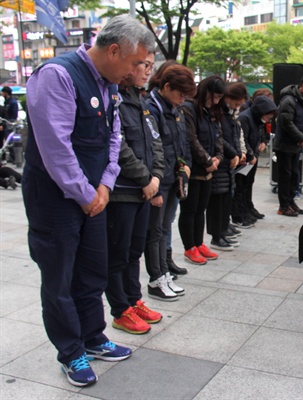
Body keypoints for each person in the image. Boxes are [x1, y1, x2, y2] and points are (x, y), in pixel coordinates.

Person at [22, 15, 155, 387]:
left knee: (93, 270)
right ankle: (70, 350)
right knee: (59, 276)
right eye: (134, 64)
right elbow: (55, 147)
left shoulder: (110, 84)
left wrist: (106, 186)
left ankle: (93, 336)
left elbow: (114, 139)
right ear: (113, 50)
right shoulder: (57, 75)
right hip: (55, 197)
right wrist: (85, 193)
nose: (135, 72)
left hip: (95, 195)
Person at [104, 51, 165, 335]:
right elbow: (119, 147)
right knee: (118, 254)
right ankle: (120, 310)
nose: (147, 72)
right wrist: (145, 179)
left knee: (134, 252)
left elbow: (156, 144)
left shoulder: (141, 101)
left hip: (144, 190)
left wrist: (156, 179)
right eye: (143, 65)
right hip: (123, 192)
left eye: (151, 67)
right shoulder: (113, 97)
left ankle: (133, 299)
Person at [145, 64, 195, 300]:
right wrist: (154, 184)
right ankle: (156, 279)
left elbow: (180, 142)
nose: (182, 100)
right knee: (154, 232)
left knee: (164, 228)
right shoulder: (151, 109)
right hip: (158, 180)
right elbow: (152, 149)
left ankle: (164, 273)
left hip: (172, 177)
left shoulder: (174, 109)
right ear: (166, 87)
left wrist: (184, 166)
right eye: (180, 95)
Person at [179, 76, 224, 261]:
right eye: (213, 96)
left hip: (209, 170)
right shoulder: (189, 108)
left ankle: (199, 243)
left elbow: (218, 137)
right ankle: (189, 247)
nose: (215, 101)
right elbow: (192, 139)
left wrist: (218, 159)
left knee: (201, 209)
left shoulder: (212, 112)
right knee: (189, 210)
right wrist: (207, 161)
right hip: (194, 169)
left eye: (218, 98)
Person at [273, 73, 303, 217]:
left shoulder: (302, 101)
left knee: (295, 174)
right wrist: (300, 137)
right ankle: (283, 205)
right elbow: (286, 122)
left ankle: (291, 201)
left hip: (296, 144)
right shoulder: (288, 100)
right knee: (285, 175)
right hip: (285, 144)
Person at [207, 82, 246, 250]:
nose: (237, 107)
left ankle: (223, 230)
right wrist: (233, 154)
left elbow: (235, 137)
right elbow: (220, 138)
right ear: (228, 98)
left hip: (230, 162)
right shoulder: (219, 113)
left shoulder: (230, 115)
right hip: (221, 161)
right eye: (236, 103)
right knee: (217, 201)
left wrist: (239, 153)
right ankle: (217, 235)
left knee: (226, 198)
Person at [236, 95, 278, 224]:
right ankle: (240, 212)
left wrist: (262, 142)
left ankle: (248, 207)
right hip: (246, 158)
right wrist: (250, 154)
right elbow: (243, 139)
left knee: (248, 183)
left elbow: (260, 134)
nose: (268, 119)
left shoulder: (257, 120)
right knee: (240, 186)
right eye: (267, 116)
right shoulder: (245, 118)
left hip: (253, 156)